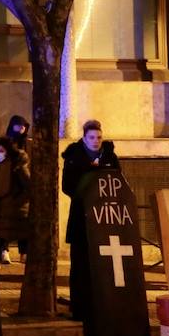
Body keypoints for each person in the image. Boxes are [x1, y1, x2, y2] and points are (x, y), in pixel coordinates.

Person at [61, 119, 120, 321]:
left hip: (106, 218)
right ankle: (80, 307)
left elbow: (118, 180)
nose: (96, 141)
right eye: (92, 138)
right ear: (85, 138)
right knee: (81, 264)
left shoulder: (110, 155)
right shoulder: (73, 156)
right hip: (82, 217)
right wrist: (89, 171)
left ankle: (104, 305)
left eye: (99, 137)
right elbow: (68, 186)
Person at [0, 137, 30, 265]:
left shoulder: (18, 166)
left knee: (19, 234)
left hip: (14, 209)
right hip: (0, 209)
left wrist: (17, 201)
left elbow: (28, 186)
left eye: (1, 150)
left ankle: (23, 254)